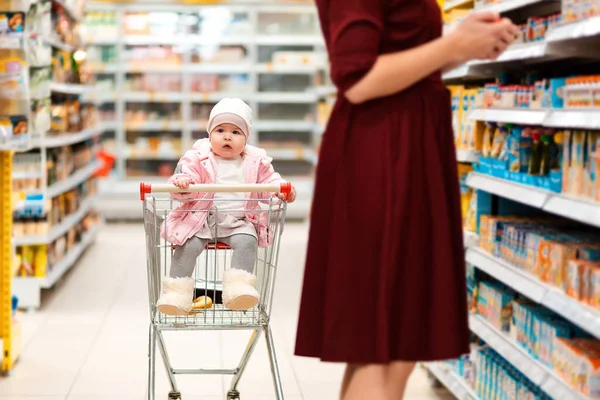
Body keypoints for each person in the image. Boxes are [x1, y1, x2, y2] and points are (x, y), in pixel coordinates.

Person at [294, 1, 519, 399]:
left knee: (392, 344)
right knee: (383, 344)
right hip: (384, 155)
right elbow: (358, 77)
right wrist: (455, 46)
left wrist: (464, 45)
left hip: (403, 148)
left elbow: (395, 58)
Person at [157, 98, 296, 316]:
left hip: (238, 221)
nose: (227, 136)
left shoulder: (255, 161)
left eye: (236, 132)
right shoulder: (198, 157)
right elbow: (183, 177)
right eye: (220, 130)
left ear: (246, 138)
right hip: (201, 219)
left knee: (247, 241)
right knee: (188, 245)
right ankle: (176, 294)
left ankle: (238, 289)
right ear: (209, 134)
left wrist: (280, 187)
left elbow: (270, 180)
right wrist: (182, 184)